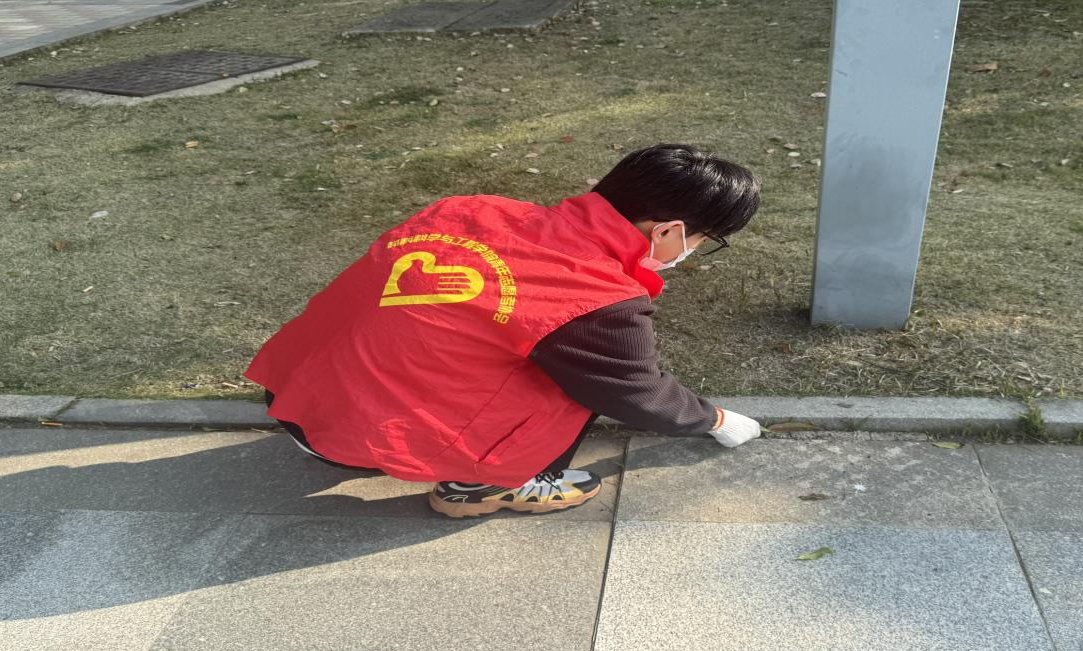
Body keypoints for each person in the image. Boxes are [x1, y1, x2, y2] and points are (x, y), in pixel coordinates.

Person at [245, 143, 765, 518]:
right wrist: (714, 419)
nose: (696, 250)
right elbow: (636, 393)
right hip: (360, 439)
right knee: (577, 379)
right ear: (670, 230)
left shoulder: (466, 209)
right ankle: (487, 486)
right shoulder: (595, 297)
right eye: (706, 239)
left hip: (295, 395)